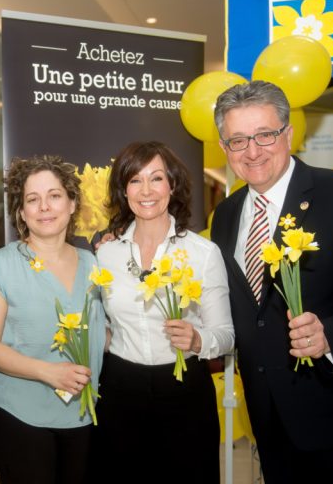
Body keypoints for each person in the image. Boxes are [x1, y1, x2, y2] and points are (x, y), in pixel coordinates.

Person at [210, 80, 333, 483]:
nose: (253, 151)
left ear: (289, 133)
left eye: (265, 134)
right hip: (269, 417)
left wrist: (330, 333)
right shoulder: (226, 214)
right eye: (238, 140)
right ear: (224, 147)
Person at [92, 141, 234, 483]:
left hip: (184, 390)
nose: (146, 190)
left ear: (172, 185)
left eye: (156, 178)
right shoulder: (105, 255)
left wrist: (198, 338)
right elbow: (104, 328)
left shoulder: (203, 253)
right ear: (123, 190)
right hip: (120, 390)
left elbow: (226, 336)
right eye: (135, 180)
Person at [0, 155, 105, 484]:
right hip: (20, 419)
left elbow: (102, 334)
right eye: (32, 200)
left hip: (85, 417)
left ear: (71, 202)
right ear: (21, 212)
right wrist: (48, 372)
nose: (44, 207)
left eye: (54, 195)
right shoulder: (0, 264)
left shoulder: (94, 264)